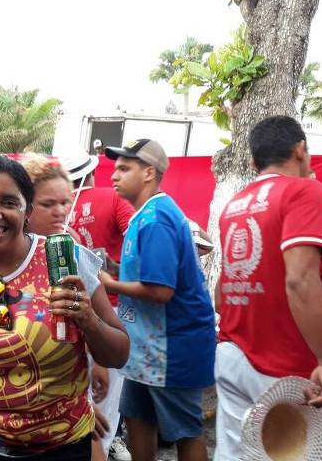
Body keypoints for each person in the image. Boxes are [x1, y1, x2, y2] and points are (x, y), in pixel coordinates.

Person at [0, 154, 130, 460]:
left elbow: (119, 353)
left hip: (62, 449)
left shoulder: (66, 261)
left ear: (26, 209)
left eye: (9, 203)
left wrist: (88, 320)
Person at [214, 115, 322, 460]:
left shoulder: (233, 206)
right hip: (286, 361)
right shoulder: (306, 190)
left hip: (233, 351)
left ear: (253, 162)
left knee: (236, 453)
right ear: (300, 150)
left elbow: (223, 287)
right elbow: (300, 279)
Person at [101, 139, 215, 461]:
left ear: (149, 172)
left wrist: (112, 283)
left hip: (172, 348)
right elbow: (149, 273)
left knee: (185, 430)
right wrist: (114, 269)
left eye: (124, 168)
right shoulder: (147, 215)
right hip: (145, 348)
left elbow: (160, 290)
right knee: (138, 417)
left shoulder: (156, 218)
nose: (114, 175)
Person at [20, 153, 129, 461]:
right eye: (48, 204)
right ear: (23, 205)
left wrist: (101, 362)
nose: (61, 212)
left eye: (65, 202)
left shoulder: (71, 254)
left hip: (69, 402)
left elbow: (112, 335)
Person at [61, 149, 134, 461]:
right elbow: (137, 241)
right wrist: (117, 270)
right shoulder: (113, 199)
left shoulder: (56, 210)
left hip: (62, 310)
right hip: (108, 308)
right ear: (92, 173)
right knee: (105, 400)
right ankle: (103, 450)